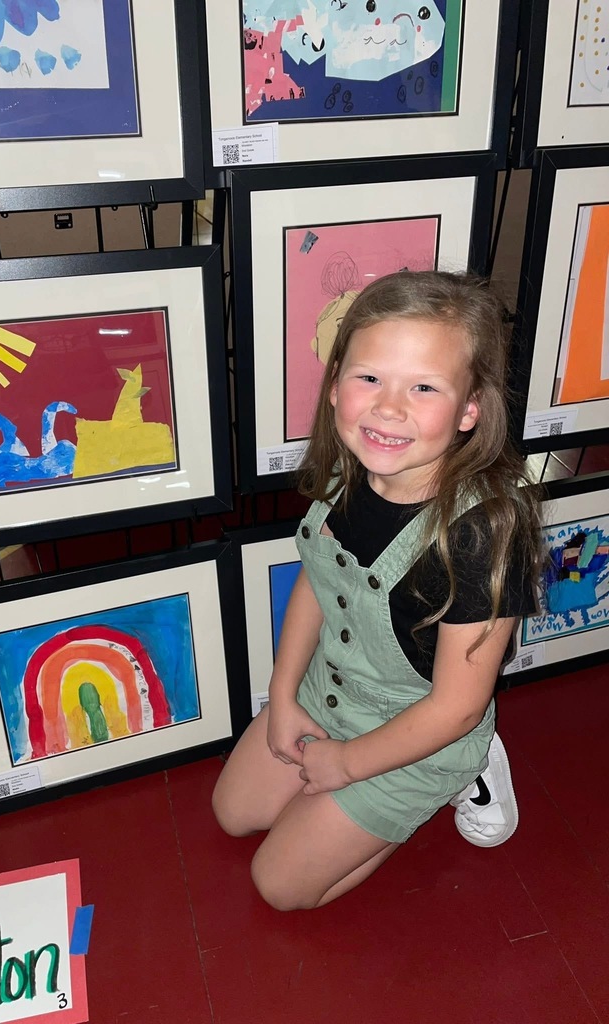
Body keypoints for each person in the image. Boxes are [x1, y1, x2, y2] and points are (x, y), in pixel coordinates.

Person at [212, 271, 541, 910]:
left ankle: (459, 774)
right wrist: (283, 695)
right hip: (331, 688)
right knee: (234, 814)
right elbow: (319, 577)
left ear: (471, 407)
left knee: (279, 886)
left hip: (423, 725)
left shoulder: (485, 535)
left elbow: (454, 707)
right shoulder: (356, 465)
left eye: (424, 387)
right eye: (369, 378)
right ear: (335, 385)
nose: (389, 408)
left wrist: (350, 765)